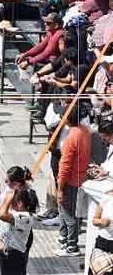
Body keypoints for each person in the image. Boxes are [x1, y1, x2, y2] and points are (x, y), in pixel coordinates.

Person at [57, 105, 90, 257]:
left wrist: (60, 187)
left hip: (70, 181)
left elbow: (65, 166)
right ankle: (65, 240)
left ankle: (71, 246)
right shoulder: (84, 131)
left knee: (69, 213)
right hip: (81, 178)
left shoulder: (71, 138)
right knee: (69, 211)